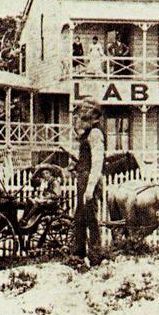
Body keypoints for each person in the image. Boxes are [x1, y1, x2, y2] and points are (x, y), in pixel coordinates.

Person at [72, 105, 105, 266]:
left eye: (83, 118)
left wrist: (90, 187)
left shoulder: (95, 134)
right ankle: (78, 254)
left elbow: (98, 162)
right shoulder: (86, 134)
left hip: (89, 180)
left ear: (92, 119)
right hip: (82, 178)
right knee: (80, 217)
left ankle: (95, 255)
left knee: (91, 218)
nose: (80, 122)